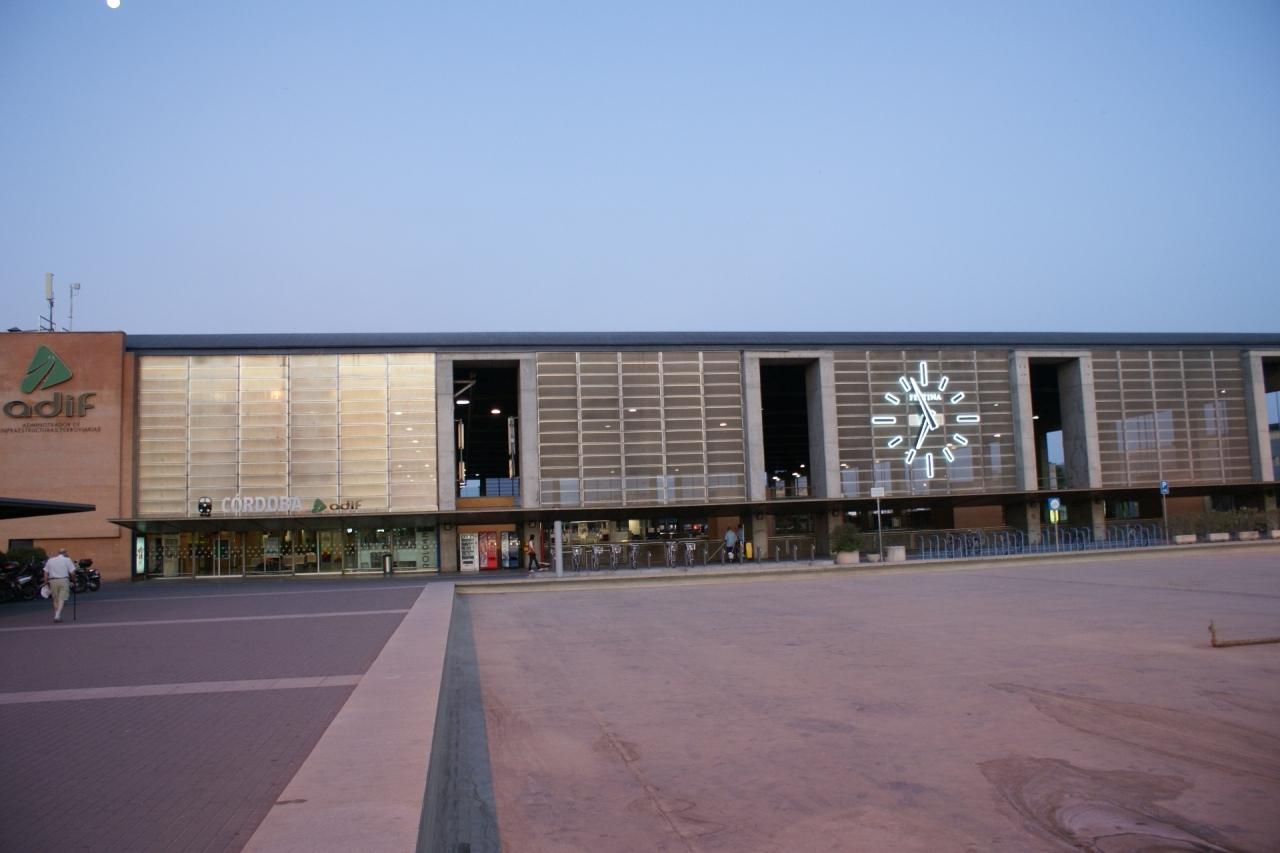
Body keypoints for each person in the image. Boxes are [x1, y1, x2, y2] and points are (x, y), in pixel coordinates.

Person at [43, 548, 78, 623]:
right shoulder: (67, 560)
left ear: (59, 553)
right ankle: (57, 616)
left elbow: (45, 572)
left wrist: (46, 582)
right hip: (63, 580)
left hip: (52, 580)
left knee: (55, 599)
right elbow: (72, 572)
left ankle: (57, 615)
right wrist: (74, 580)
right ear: (65, 553)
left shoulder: (50, 560)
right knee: (62, 598)